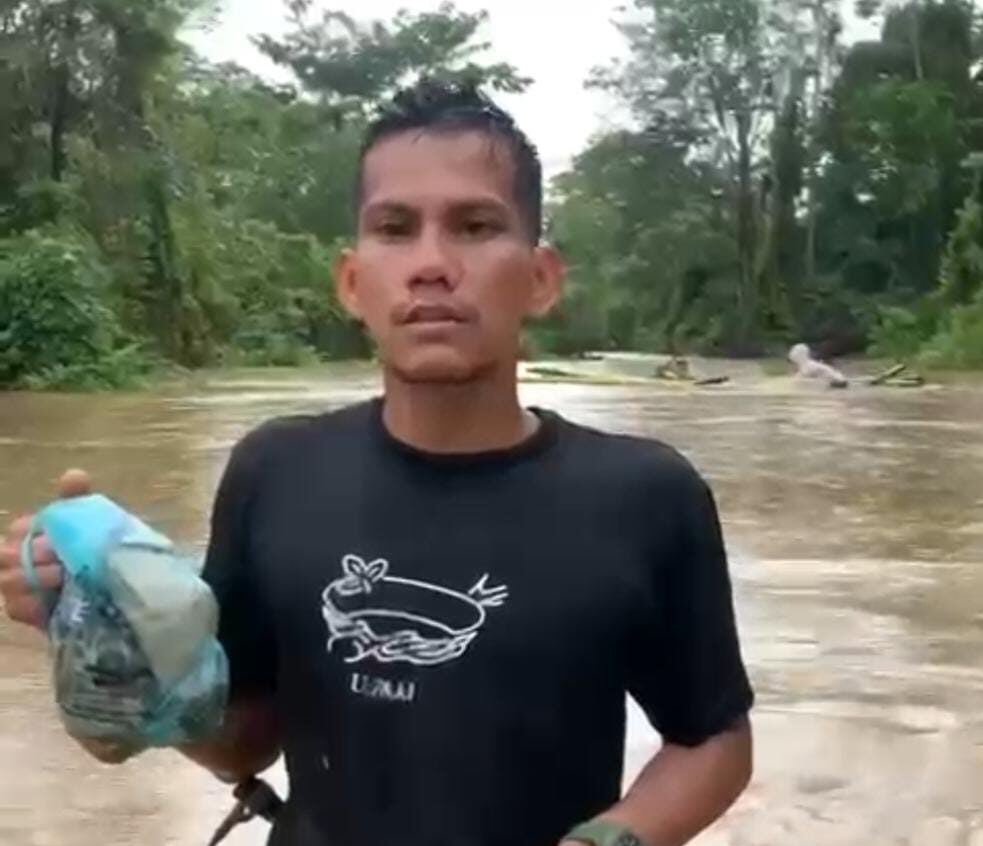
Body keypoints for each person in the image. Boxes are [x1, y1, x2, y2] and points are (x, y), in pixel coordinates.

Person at [0, 80, 754, 846]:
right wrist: (116, 637)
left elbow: (713, 740)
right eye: (394, 228)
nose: (431, 264)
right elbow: (241, 741)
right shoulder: (276, 471)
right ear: (353, 282)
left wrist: (612, 841)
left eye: (474, 225)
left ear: (539, 277)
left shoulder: (645, 496)